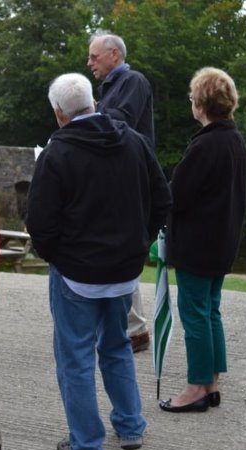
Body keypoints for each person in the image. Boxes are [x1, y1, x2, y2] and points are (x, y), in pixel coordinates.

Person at [26, 73, 171, 450]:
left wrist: (60, 255)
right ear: (94, 102)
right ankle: (130, 427)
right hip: (123, 269)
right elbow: (162, 200)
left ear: (59, 113)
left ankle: (86, 447)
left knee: (75, 359)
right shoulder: (135, 143)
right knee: (117, 345)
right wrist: (138, 243)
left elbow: (39, 222)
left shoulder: (57, 153)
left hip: (76, 273)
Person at [159, 68, 246, 413]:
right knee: (210, 312)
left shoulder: (207, 144)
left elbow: (177, 196)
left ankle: (196, 386)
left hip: (198, 245)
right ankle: (211, 381)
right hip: (222, 243)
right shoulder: (234, 141)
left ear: (201, 103)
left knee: (195, 314)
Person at [88, 31, 154, 352]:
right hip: (116, 177)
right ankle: (133, 326)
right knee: (119, 247)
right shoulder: (111, 87)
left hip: (130, 179)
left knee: (123, 247)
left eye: (94, 57)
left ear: (114, 54)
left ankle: (136, 328)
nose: (90, 63)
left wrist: (86, 116)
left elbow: (119, 122)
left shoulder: (134, 81)